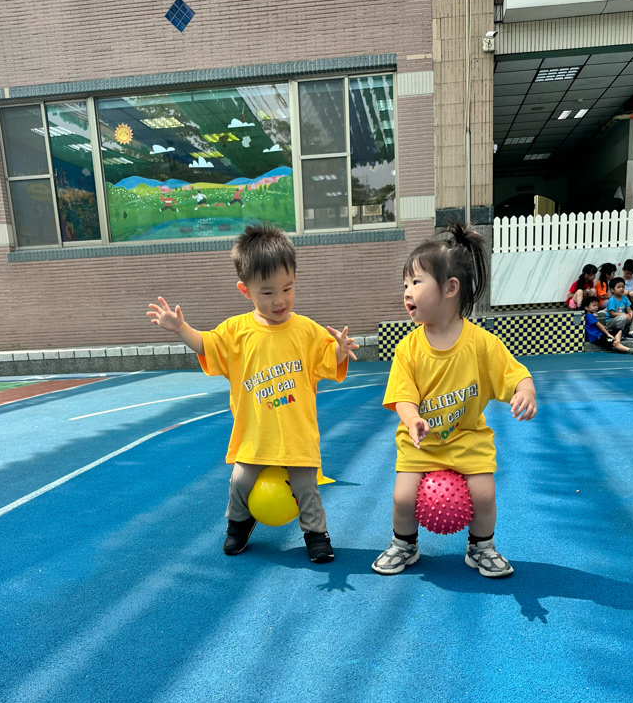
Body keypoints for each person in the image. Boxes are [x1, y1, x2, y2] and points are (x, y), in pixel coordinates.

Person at [147, 224, 357, 562]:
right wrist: (181, 328)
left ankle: (316, 533)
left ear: (295, 278)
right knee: (239, 483)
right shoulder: (235, 331)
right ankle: (239, 525)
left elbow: (325, 360)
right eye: (267, 292)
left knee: (306, 487)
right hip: (255, 437)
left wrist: (340, 351)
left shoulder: (307, 330)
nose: (279, 300)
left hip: (296, 436)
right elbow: (206, 344)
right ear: (246, 291)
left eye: (287, 288)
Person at [372, 223, 537, 579]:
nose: (407, 292)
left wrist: (525, 392)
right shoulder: (408, 349)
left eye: (416, 282)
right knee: (403, 497)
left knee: (484, 494)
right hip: (421, 441)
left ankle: (481, 547)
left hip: (467, 439)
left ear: (450, 288)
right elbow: (402, 397)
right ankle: (404, 544)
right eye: (405, 285)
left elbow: (515, 374)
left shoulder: (482, 344)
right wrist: (412, 419)